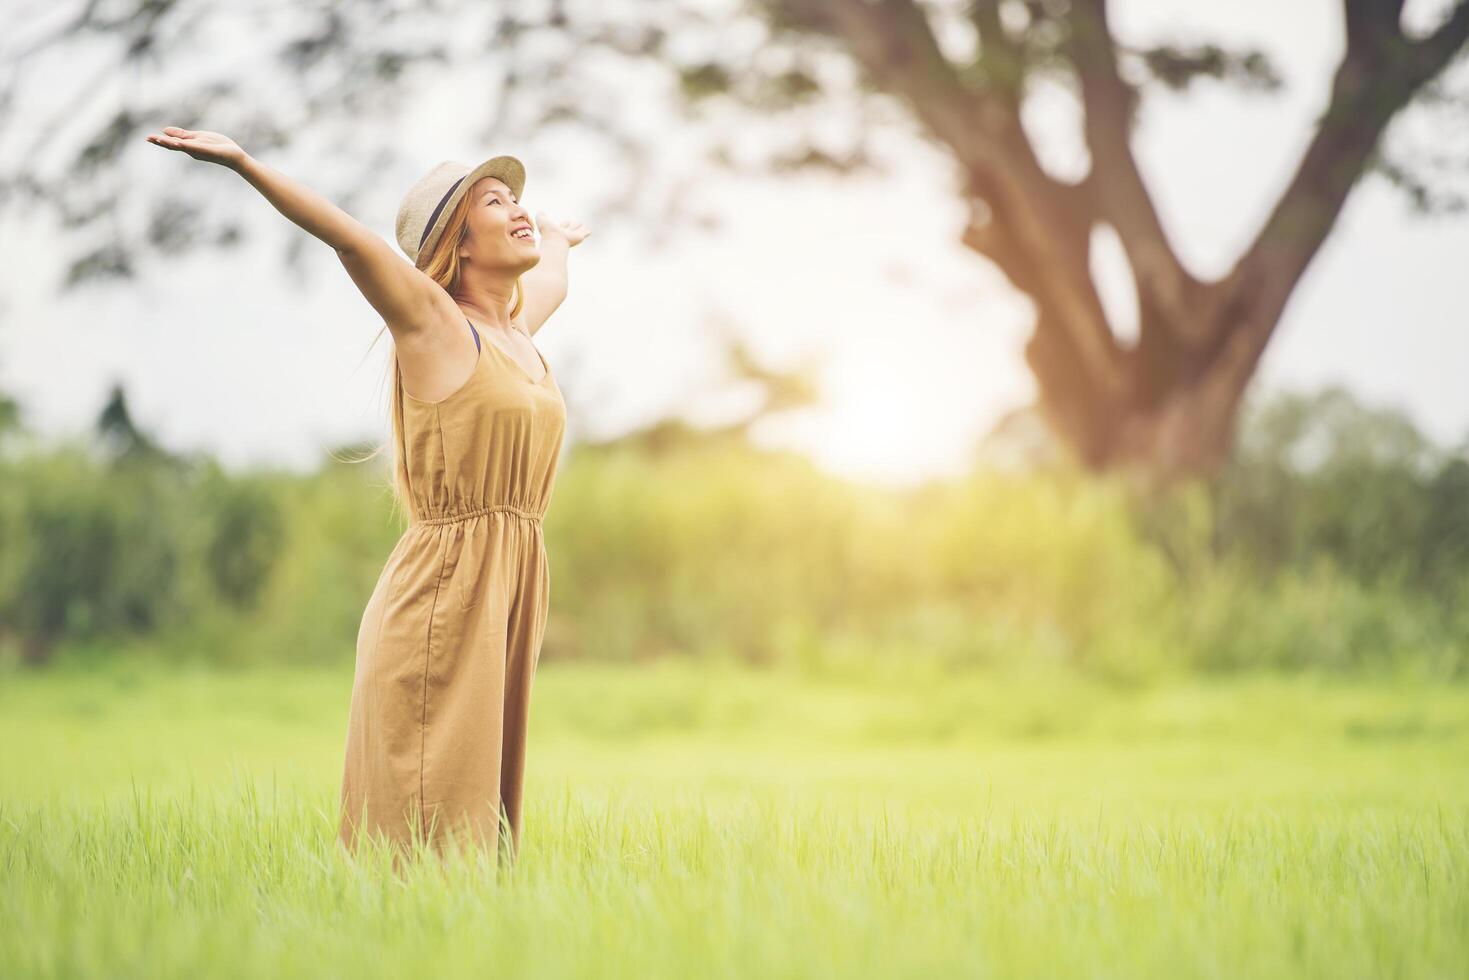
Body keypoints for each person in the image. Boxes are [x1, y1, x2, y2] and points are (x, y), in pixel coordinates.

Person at [145, 126, 591, 866]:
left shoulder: (517, 335)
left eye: (520, 199)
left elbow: (555, 279)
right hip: (445, 592)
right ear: (460, 241)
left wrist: (558, 237)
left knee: (479, 814)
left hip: (508, 583)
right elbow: (350, 240)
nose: (518, 209)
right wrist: (245, 164)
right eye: (494, 200)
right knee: (424, 821)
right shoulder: (435, 325)